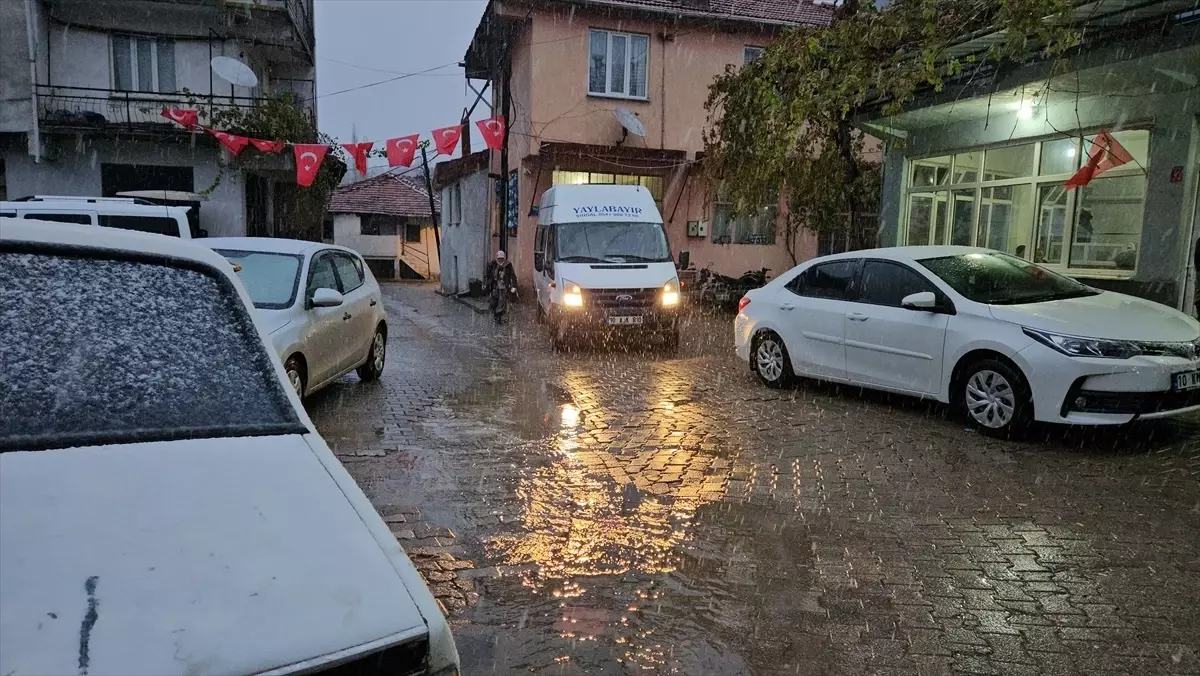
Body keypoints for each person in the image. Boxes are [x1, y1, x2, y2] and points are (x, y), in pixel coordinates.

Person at [485, 250, 517, 323]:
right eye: (499, 258)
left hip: (503, 287)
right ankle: (495, 314)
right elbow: (488, 275)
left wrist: (513, 286)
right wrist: (488, 284)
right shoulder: (493, 264)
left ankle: (498, 316)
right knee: (494, 302)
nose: (500, 260)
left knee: (502, 302)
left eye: (502, 258)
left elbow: (512, 276)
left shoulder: (508, 265)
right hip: (494, 286)